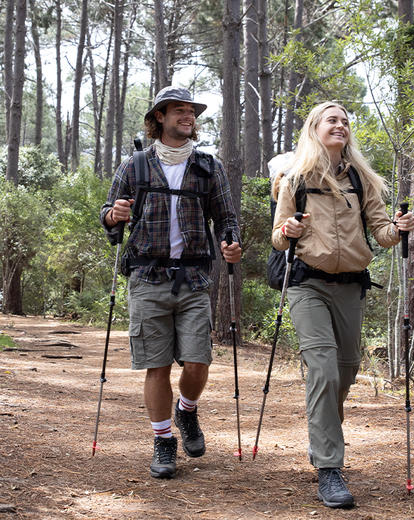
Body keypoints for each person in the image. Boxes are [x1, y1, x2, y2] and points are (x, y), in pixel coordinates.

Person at [271, 101, 414, 508]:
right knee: (323, 366)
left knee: (347, 369)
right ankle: (330, 468)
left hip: (351, 284)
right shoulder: (294, 178)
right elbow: (278, 239)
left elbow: (383, 233)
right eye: (332, 120)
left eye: (345, 122)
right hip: (307, 283)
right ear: (315, 128)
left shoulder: (360, 178)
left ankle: (324, 431)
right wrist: (290, 227)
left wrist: (399, 228)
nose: (341, 125)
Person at [100, 86, 241, 479]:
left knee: (198, 362)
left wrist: (232, 243)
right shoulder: (136, 165)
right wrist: (115, 215)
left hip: (195, 277)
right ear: (159, 117)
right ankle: (164, 442)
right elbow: (108, 215)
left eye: (191, 112)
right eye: (179, 111)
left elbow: (226, 217)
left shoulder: (208, 166)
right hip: (147, 277)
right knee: (157, 366)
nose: (188, 116)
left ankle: (187, 411)